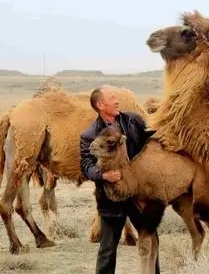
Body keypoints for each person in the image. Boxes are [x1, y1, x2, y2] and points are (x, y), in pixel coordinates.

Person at [79, 85, 156, 274]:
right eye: (112, 98)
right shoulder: (90, 135)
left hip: (138, 195)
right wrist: (103, 175)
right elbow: (86, 165)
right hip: (110, 197)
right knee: (107, 250)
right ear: (100, 105)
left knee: (151, 241)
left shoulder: (133, 121)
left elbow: (151, 140)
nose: (117, 100)